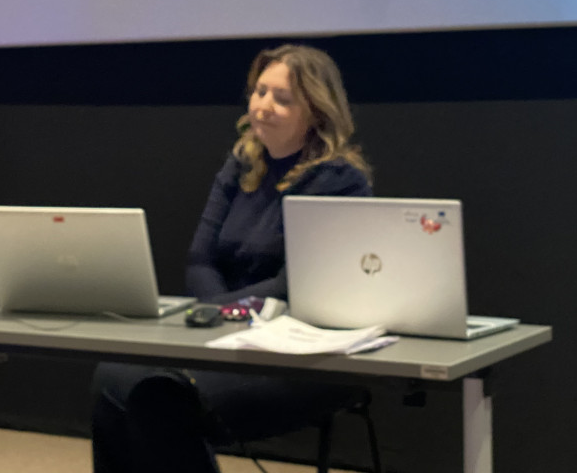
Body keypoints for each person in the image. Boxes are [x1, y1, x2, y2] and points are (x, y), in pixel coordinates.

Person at [90, 43, 372, 473]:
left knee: (160, 396)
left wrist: (223, 315)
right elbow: (200, 261)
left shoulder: (339, 181)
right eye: (260, 92)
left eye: (282, 99)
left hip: (302, 353)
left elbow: (294, 285)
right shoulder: (242, 165)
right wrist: (219, 317)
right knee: (111, 376)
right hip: (227, 333)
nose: (263, 106)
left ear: (316, 112)